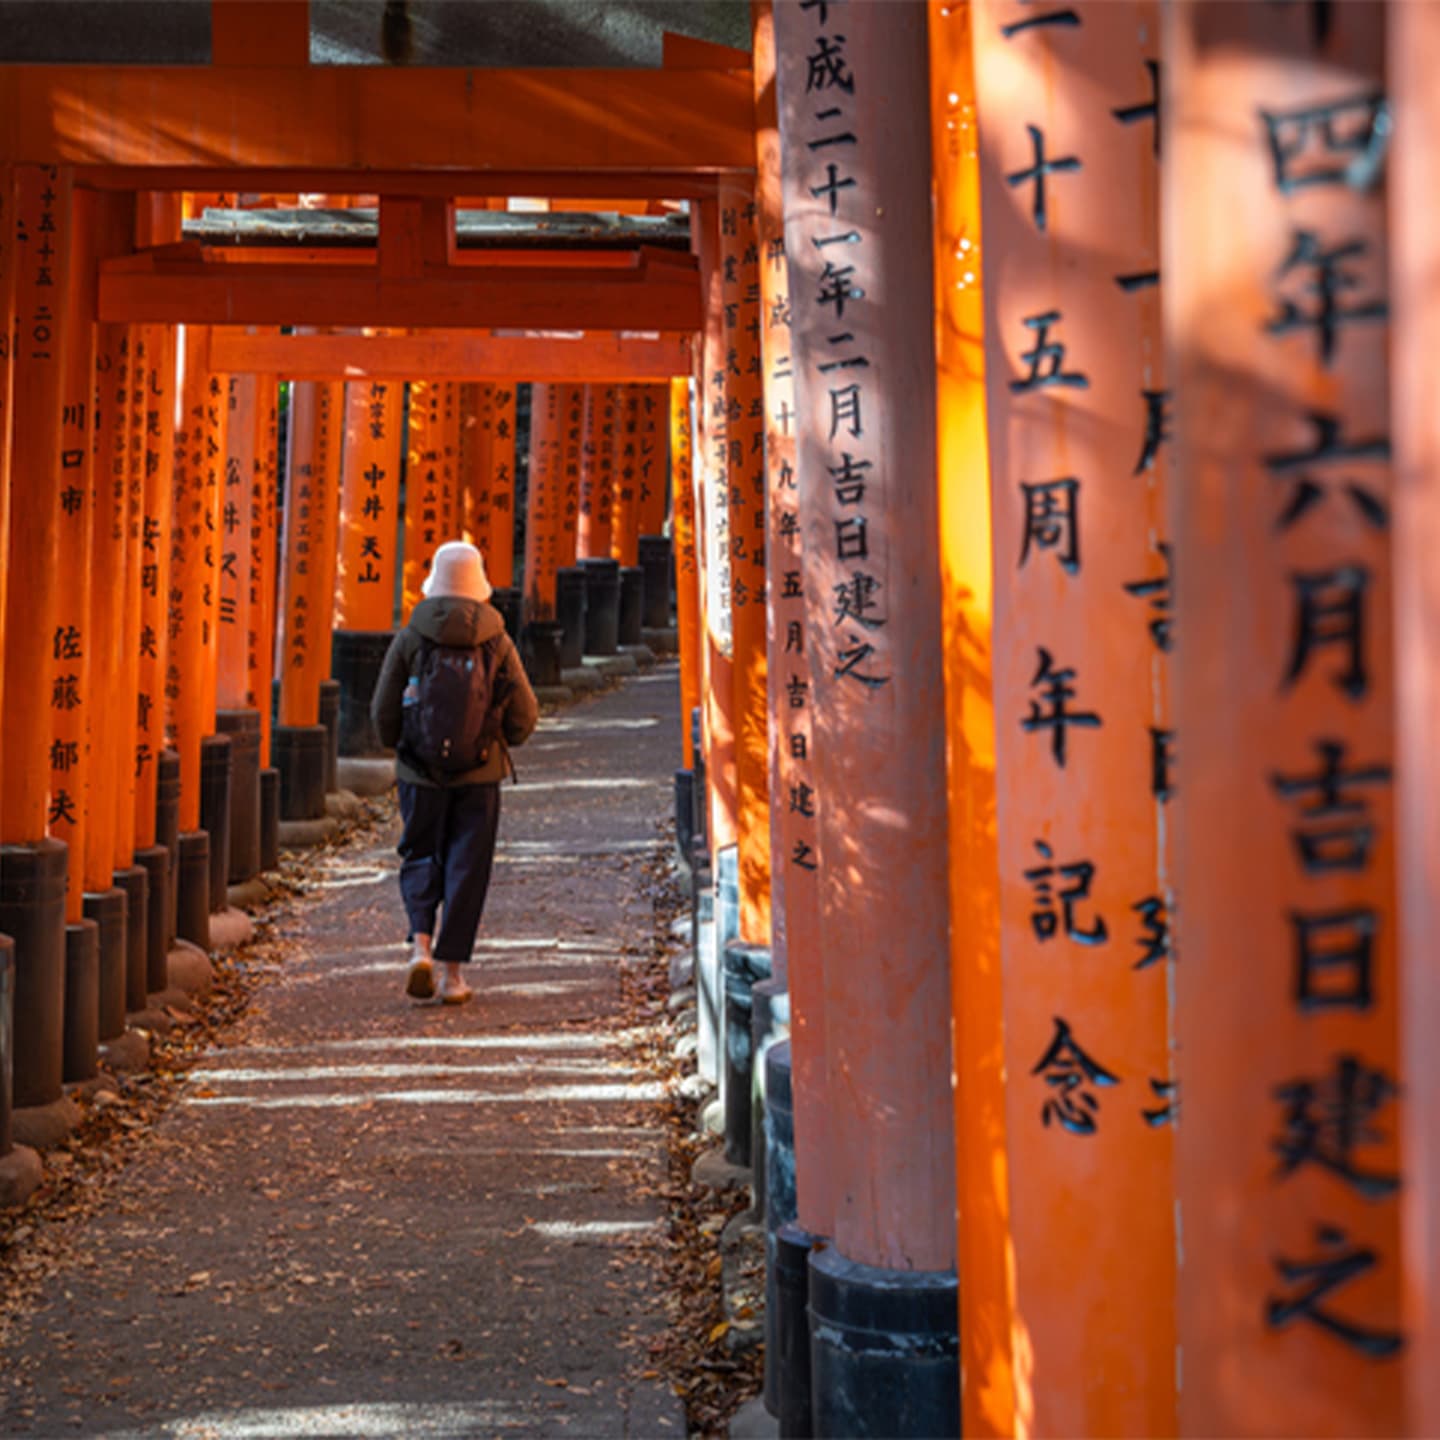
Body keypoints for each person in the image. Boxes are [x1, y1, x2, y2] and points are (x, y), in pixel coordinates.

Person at [370, 541, 538, 1004]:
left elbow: (383, 708)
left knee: (421, 853)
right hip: (479, 776)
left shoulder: (412, 636)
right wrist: (500, 741)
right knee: (468, 867)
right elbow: (525, 715)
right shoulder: (497, 640)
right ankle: (452, 975)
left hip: (419, 773)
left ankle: (419, 947)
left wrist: (399, 745)